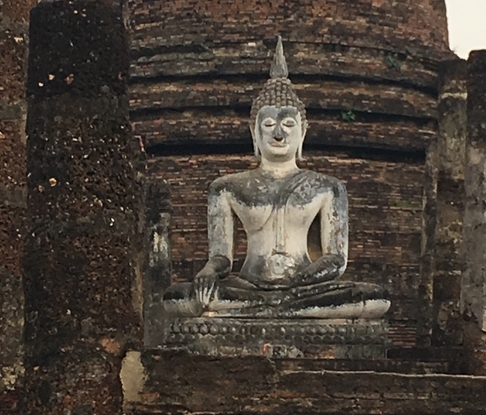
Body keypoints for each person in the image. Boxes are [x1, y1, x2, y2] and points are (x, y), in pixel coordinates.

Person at [165, 38, 389, 320]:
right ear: (254, 131)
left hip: (305, 287)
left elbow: (335, 260)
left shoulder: (327, 188)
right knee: (179, 297)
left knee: (374, 297)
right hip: (248, 286)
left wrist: (298, 283)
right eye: (269, 124)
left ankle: (265, 311)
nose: (279, 134)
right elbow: (222, 258)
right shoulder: (227, 188)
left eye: (288, 125)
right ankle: (278, 310)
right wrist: (208, 273)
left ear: (303, 132)